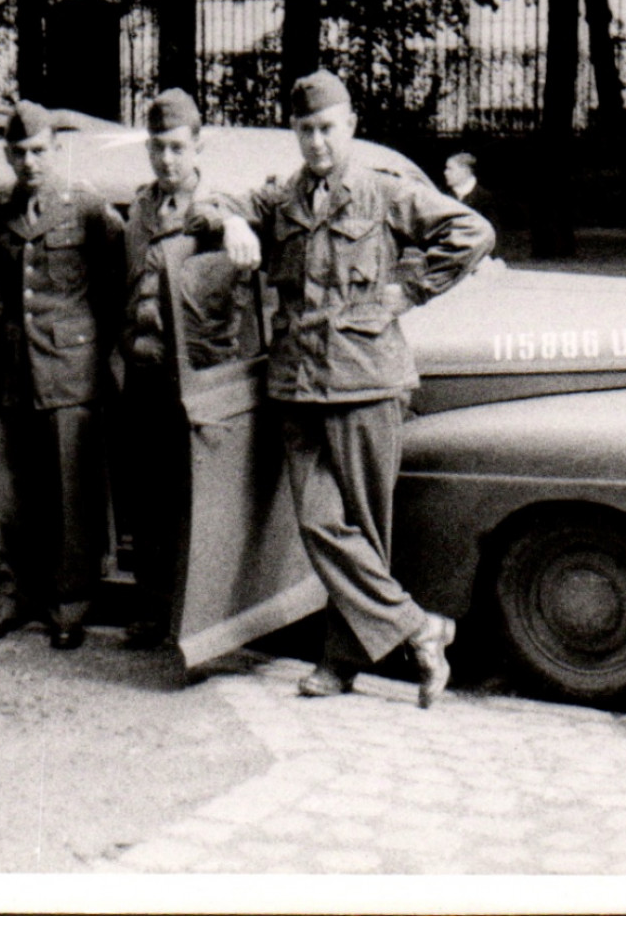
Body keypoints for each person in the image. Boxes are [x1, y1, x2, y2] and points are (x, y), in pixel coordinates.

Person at [198, 70, 493, 707]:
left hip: (367, 381)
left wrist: (407, 289)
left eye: (326, 128)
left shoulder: (383, 194)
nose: (316, 142)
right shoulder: (281, 199)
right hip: (300, 385)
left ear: (350, 126)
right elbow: (207, 201)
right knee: (320, 523)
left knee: (363, 528)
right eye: (304, 130)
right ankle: (421, 628)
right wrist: (231, 224)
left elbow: (472, 233)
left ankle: (341, 663)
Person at [0, 101, 125, 651]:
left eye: (39, 151)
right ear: (8, 155)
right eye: (20, 153)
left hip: (71, 370)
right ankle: (8, 601)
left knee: (69, 496)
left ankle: (69, 606)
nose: (30, 162)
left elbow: (114, 287)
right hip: (12, 370)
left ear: (56, 151)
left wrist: (103, 360)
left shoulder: (85, 209)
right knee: (9, 498)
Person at [112, 88, 242, 650]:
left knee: (200, 503)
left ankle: (204, 617)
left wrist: (229, 224)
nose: (166, 159)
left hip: (201, 377)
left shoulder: (220, 208)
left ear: (198, 145)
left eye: (176, 147)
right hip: (144, 376)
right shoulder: (140, 207)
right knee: (148, 499)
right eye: (156, 147)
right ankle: (153, 607)